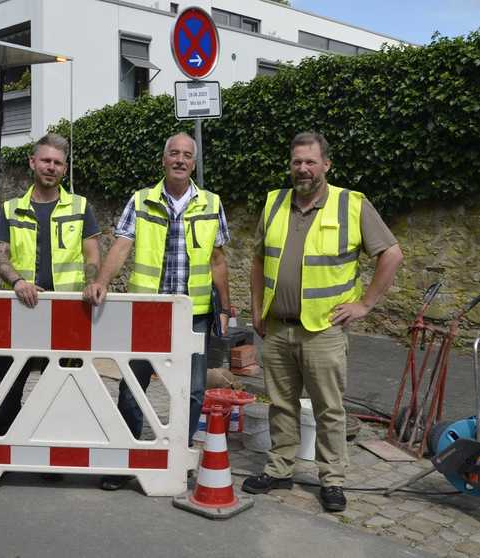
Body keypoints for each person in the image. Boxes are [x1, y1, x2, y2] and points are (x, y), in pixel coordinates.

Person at [243, 132, 403, 512]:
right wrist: (255, 308)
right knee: (280, 404)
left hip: (323, 330)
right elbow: (257, 260)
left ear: (326, 165)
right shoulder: (274, 203)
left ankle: (332, 479)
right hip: (278, 327)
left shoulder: (352, 204)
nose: (303, 168)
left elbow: (392, 254)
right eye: (297, 161)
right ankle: (280, 468)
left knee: (329, 408)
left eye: (311, 161)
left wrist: (365, 304)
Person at [84, 132, 231, 491]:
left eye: (187, 155)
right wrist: (102, 279)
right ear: (163, 160)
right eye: (174, 154)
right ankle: (124, 457)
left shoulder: (211, 203)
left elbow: (217, 259)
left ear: (193, 163)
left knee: (194, 390)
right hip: (147, 312)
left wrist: (225, 308)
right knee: (134, 385)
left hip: (194, 312)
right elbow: (121, 246)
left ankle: (178, 455)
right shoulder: (141, 200)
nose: (180, 160)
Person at [0, 132, 101, 436]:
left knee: (64, 386)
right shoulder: (11, 208)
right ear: (32, 163)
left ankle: (55, 447)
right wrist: (17, 281)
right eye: (45, 160)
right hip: (21, 311)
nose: (51, 167)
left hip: (68, 313)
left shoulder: (80, 207)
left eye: (57, 163)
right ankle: (5, 444)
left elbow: (92, 252)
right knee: (7, 385)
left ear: (64, 169)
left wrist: (93, 283)